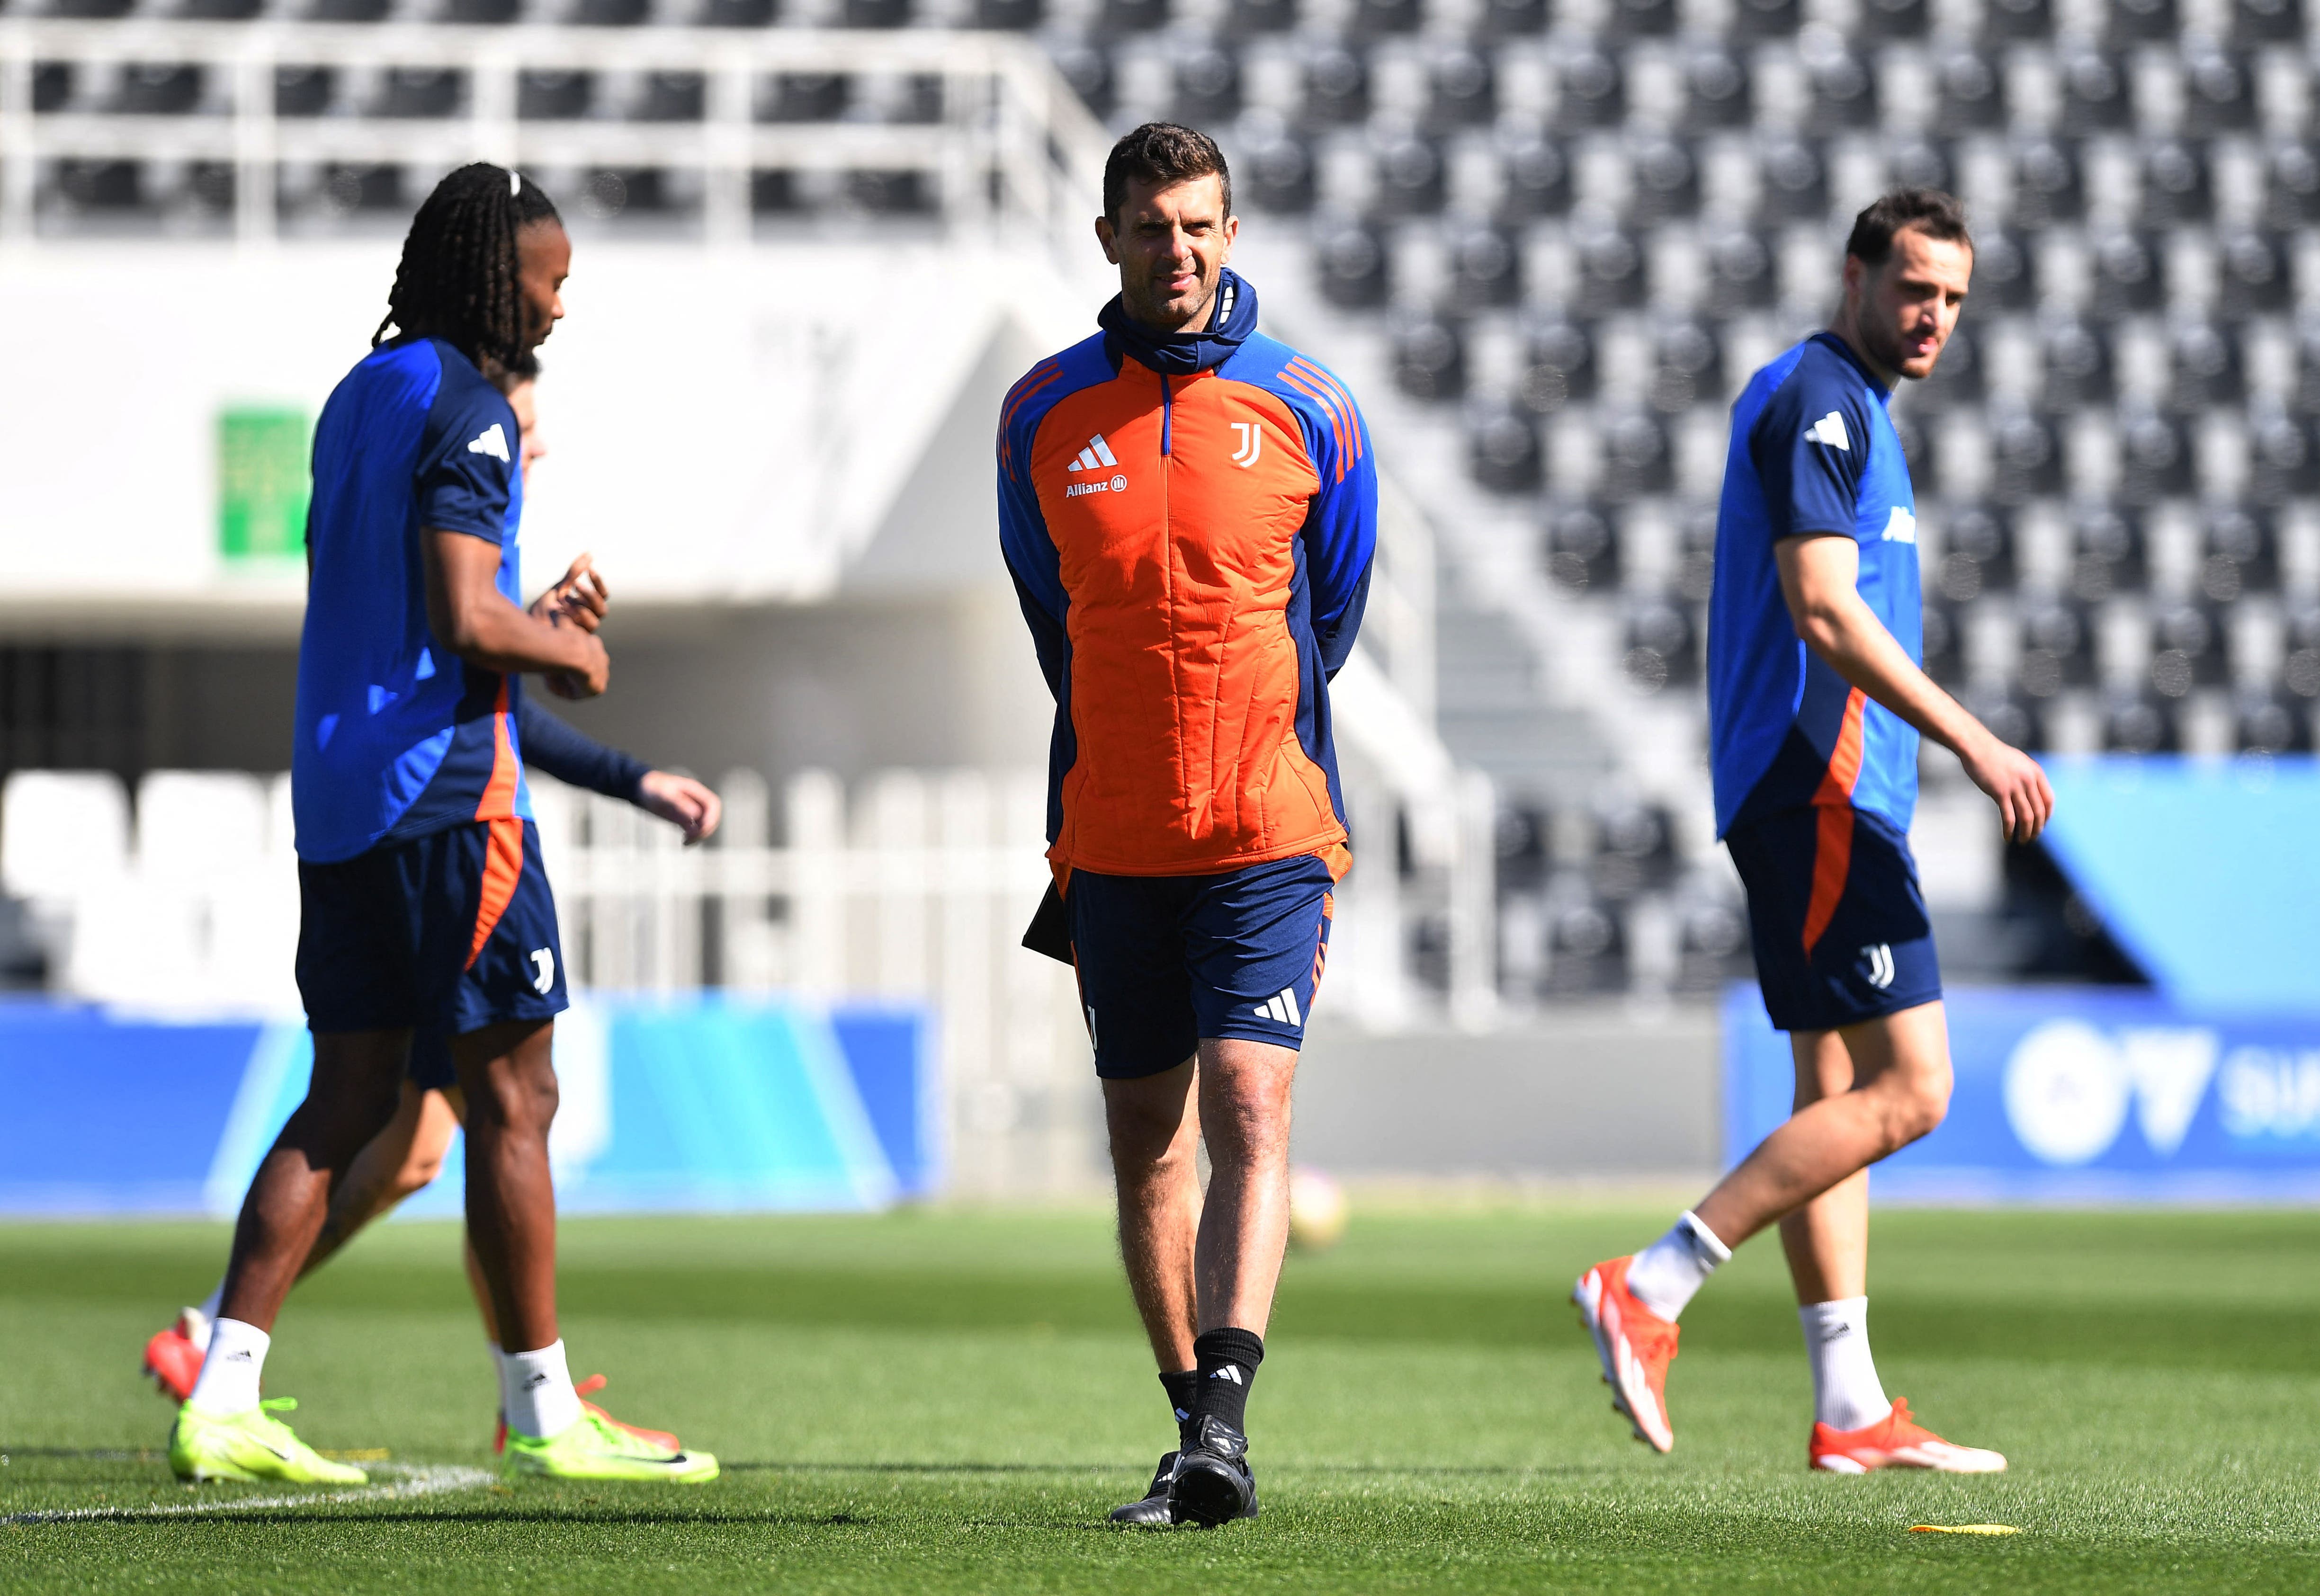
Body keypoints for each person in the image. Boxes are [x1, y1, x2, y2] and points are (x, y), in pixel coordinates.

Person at [165, 163, 716, 1487]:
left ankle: (222, 1387)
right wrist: (568, 658)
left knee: (349, 1095)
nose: (560, 307)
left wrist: (536, 630)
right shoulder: (470, 406)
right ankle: (543, 1409)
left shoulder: (363, 395)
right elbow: (467, 620)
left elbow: (413, 617)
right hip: (449, 800)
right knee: (517, 1094)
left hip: (343, 794)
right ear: (493, 276)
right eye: (549, 280)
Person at [1573, 189, 2053, 1474]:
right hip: (1820, 781)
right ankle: (1650, 1283)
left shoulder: (1857, 412)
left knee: (1834, 1091)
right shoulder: (1822, 400)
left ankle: (1846, 1403)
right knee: (1916, 1086)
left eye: (1950, 298)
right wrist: (1974, 737)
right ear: (1854, 276)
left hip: (1828, 785)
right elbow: (1823, 613)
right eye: (1912, 289)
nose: (1932, 317)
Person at [997, 123, 1376, 1529]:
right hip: (1113, 835)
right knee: (1144, 1139)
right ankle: (1186, 1429)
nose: (1179, 251)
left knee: (1249, 1097)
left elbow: (1327, 612)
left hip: (1265, 823)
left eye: (1201, 226)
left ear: (1232, 233)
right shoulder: (1040, 414)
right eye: (1152, 227)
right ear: (1107, 237)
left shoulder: (1311, 406)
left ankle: (1225, 1420)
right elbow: (1055, 611)